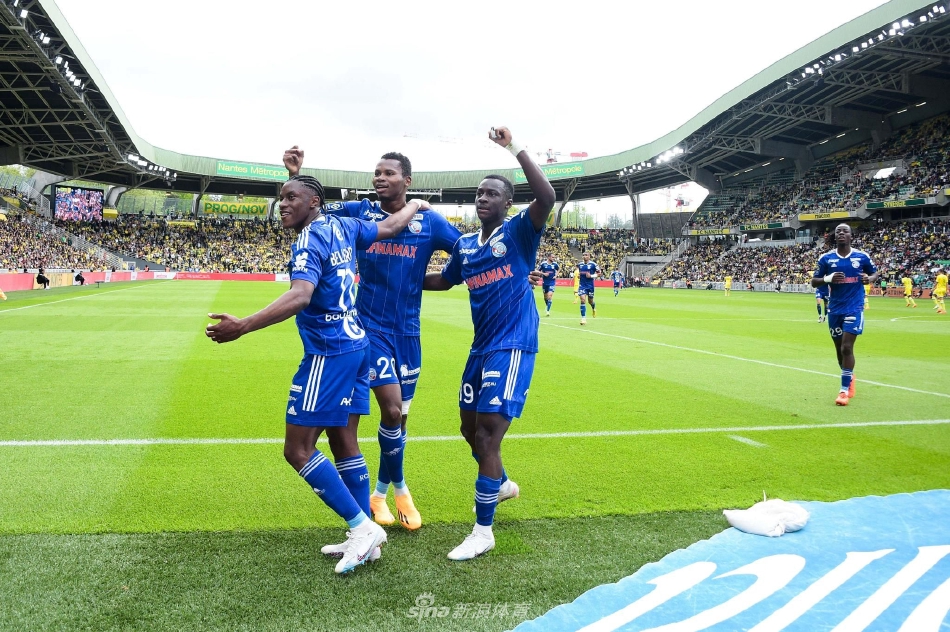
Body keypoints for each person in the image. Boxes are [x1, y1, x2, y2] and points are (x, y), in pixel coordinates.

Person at [205, 175, 424, 574]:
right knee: (344, 442)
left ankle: (363, 529)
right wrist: (416, 205)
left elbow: (300, 295)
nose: (283, 204)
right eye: (281, 198)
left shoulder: (309, 239)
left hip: (329, 351)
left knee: (298, 450)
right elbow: (392, 226)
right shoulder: (344, 225)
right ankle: (364, 535)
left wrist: (243, 326)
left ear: (314, 202)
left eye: (291, 197)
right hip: (357, 346)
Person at [284, 148, 461, 534]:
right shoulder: (358, 213)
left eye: (388, 173)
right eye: (376, 172)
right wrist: (299, 174)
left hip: (408, 333)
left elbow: (465, 252)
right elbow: (312, 210)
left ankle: (382, 493)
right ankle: (397, 493)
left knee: (398, 421)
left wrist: (446, 279)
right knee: (390, 411)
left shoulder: (430, 222)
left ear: (407, 181)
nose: (380, 178)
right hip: (366, 330)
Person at [424, 125, 555, 560]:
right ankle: (501, 484)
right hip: (480, 348)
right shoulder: (465, 245)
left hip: (512, 345)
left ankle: (483, 532)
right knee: (469, 429)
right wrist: (400, 279)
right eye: (479, 193)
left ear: (507, 203)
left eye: (492, 194)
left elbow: (547, 197)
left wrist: (513, 147)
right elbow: (445, 280)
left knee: (487, 435)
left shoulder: (518, 233)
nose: (483, 198)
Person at [811, 223, 878, 406]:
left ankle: (843, 391)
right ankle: (849, 377)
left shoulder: (861, 256)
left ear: (850, 235)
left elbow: (874, 273)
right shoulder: (826, 258)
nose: (841, 233)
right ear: (835, 236)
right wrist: (828, 278)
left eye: (845, 231)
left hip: (854, 307)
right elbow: (814, 282)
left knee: (847, 347)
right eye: (838, 231)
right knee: (839, 349)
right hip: (835, 309)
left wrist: (869, 278)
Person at [577, 252, 600, 324]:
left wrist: (591, 276)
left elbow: (599, 273)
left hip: (590, 286)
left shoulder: (594, 265)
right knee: (583, 300)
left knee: (590, 301)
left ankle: (593, 308)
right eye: (583, 255)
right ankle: (583, 318)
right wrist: (579, 275)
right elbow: (580, 273)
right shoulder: (580, 265)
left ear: (589, 256)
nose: (584, 256)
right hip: (582, 285)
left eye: (586, 255)